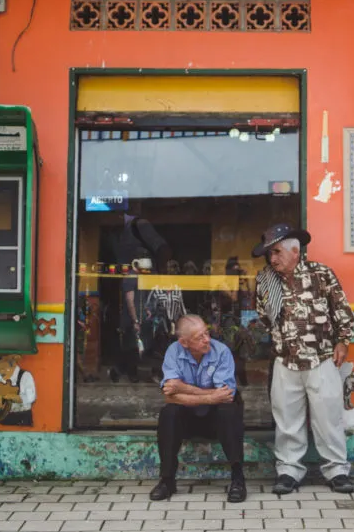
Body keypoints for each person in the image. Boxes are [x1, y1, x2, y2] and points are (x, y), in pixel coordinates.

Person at [253, 223, 354, 495]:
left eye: (276, 252)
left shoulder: (321, 274)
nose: (272, 259)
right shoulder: (265, 279)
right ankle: (288, 471)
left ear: (294, 251)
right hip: (285, 360)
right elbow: (263, 316)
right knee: (287, 419)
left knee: (328, 417)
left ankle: (336, 470)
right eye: (269, 254)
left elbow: (342, 310)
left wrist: (343, 341)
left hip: (321, 358)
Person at [151, 315, 247, 503]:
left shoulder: (221, 352)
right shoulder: (173, 351)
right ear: (184, 342)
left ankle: (238, 478)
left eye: (207, 333)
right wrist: (211, 396)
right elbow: (169, 396)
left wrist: (182, 388)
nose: (207, 340)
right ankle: (167, 480)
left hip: (216, 420)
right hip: (188, 418)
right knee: (169, 413)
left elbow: (225, 395)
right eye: (199, 337)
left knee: (228, 410)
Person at [114, 204, 172, 381]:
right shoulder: (133, 276)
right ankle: (125, 372)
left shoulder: (140, 225)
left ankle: (130, 371)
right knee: (134, 344)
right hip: (138, 314)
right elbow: (130, 299)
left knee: (143, 343)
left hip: (143, 314)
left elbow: (163, 248)